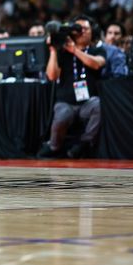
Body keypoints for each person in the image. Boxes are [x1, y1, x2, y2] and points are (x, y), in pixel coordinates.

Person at [38, 15, 106, 159]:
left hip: (87, 102)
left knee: (98, 105)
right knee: (62, 114)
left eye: (86, 29)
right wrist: (53, 50)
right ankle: (54, 146)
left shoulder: (96, 50)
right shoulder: (62, 52)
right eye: (78, 29)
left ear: (92, 32)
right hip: (66, 102)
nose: (82, 32)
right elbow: (52, 76)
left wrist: (74, 50)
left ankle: (83, 145)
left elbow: (97, 63)